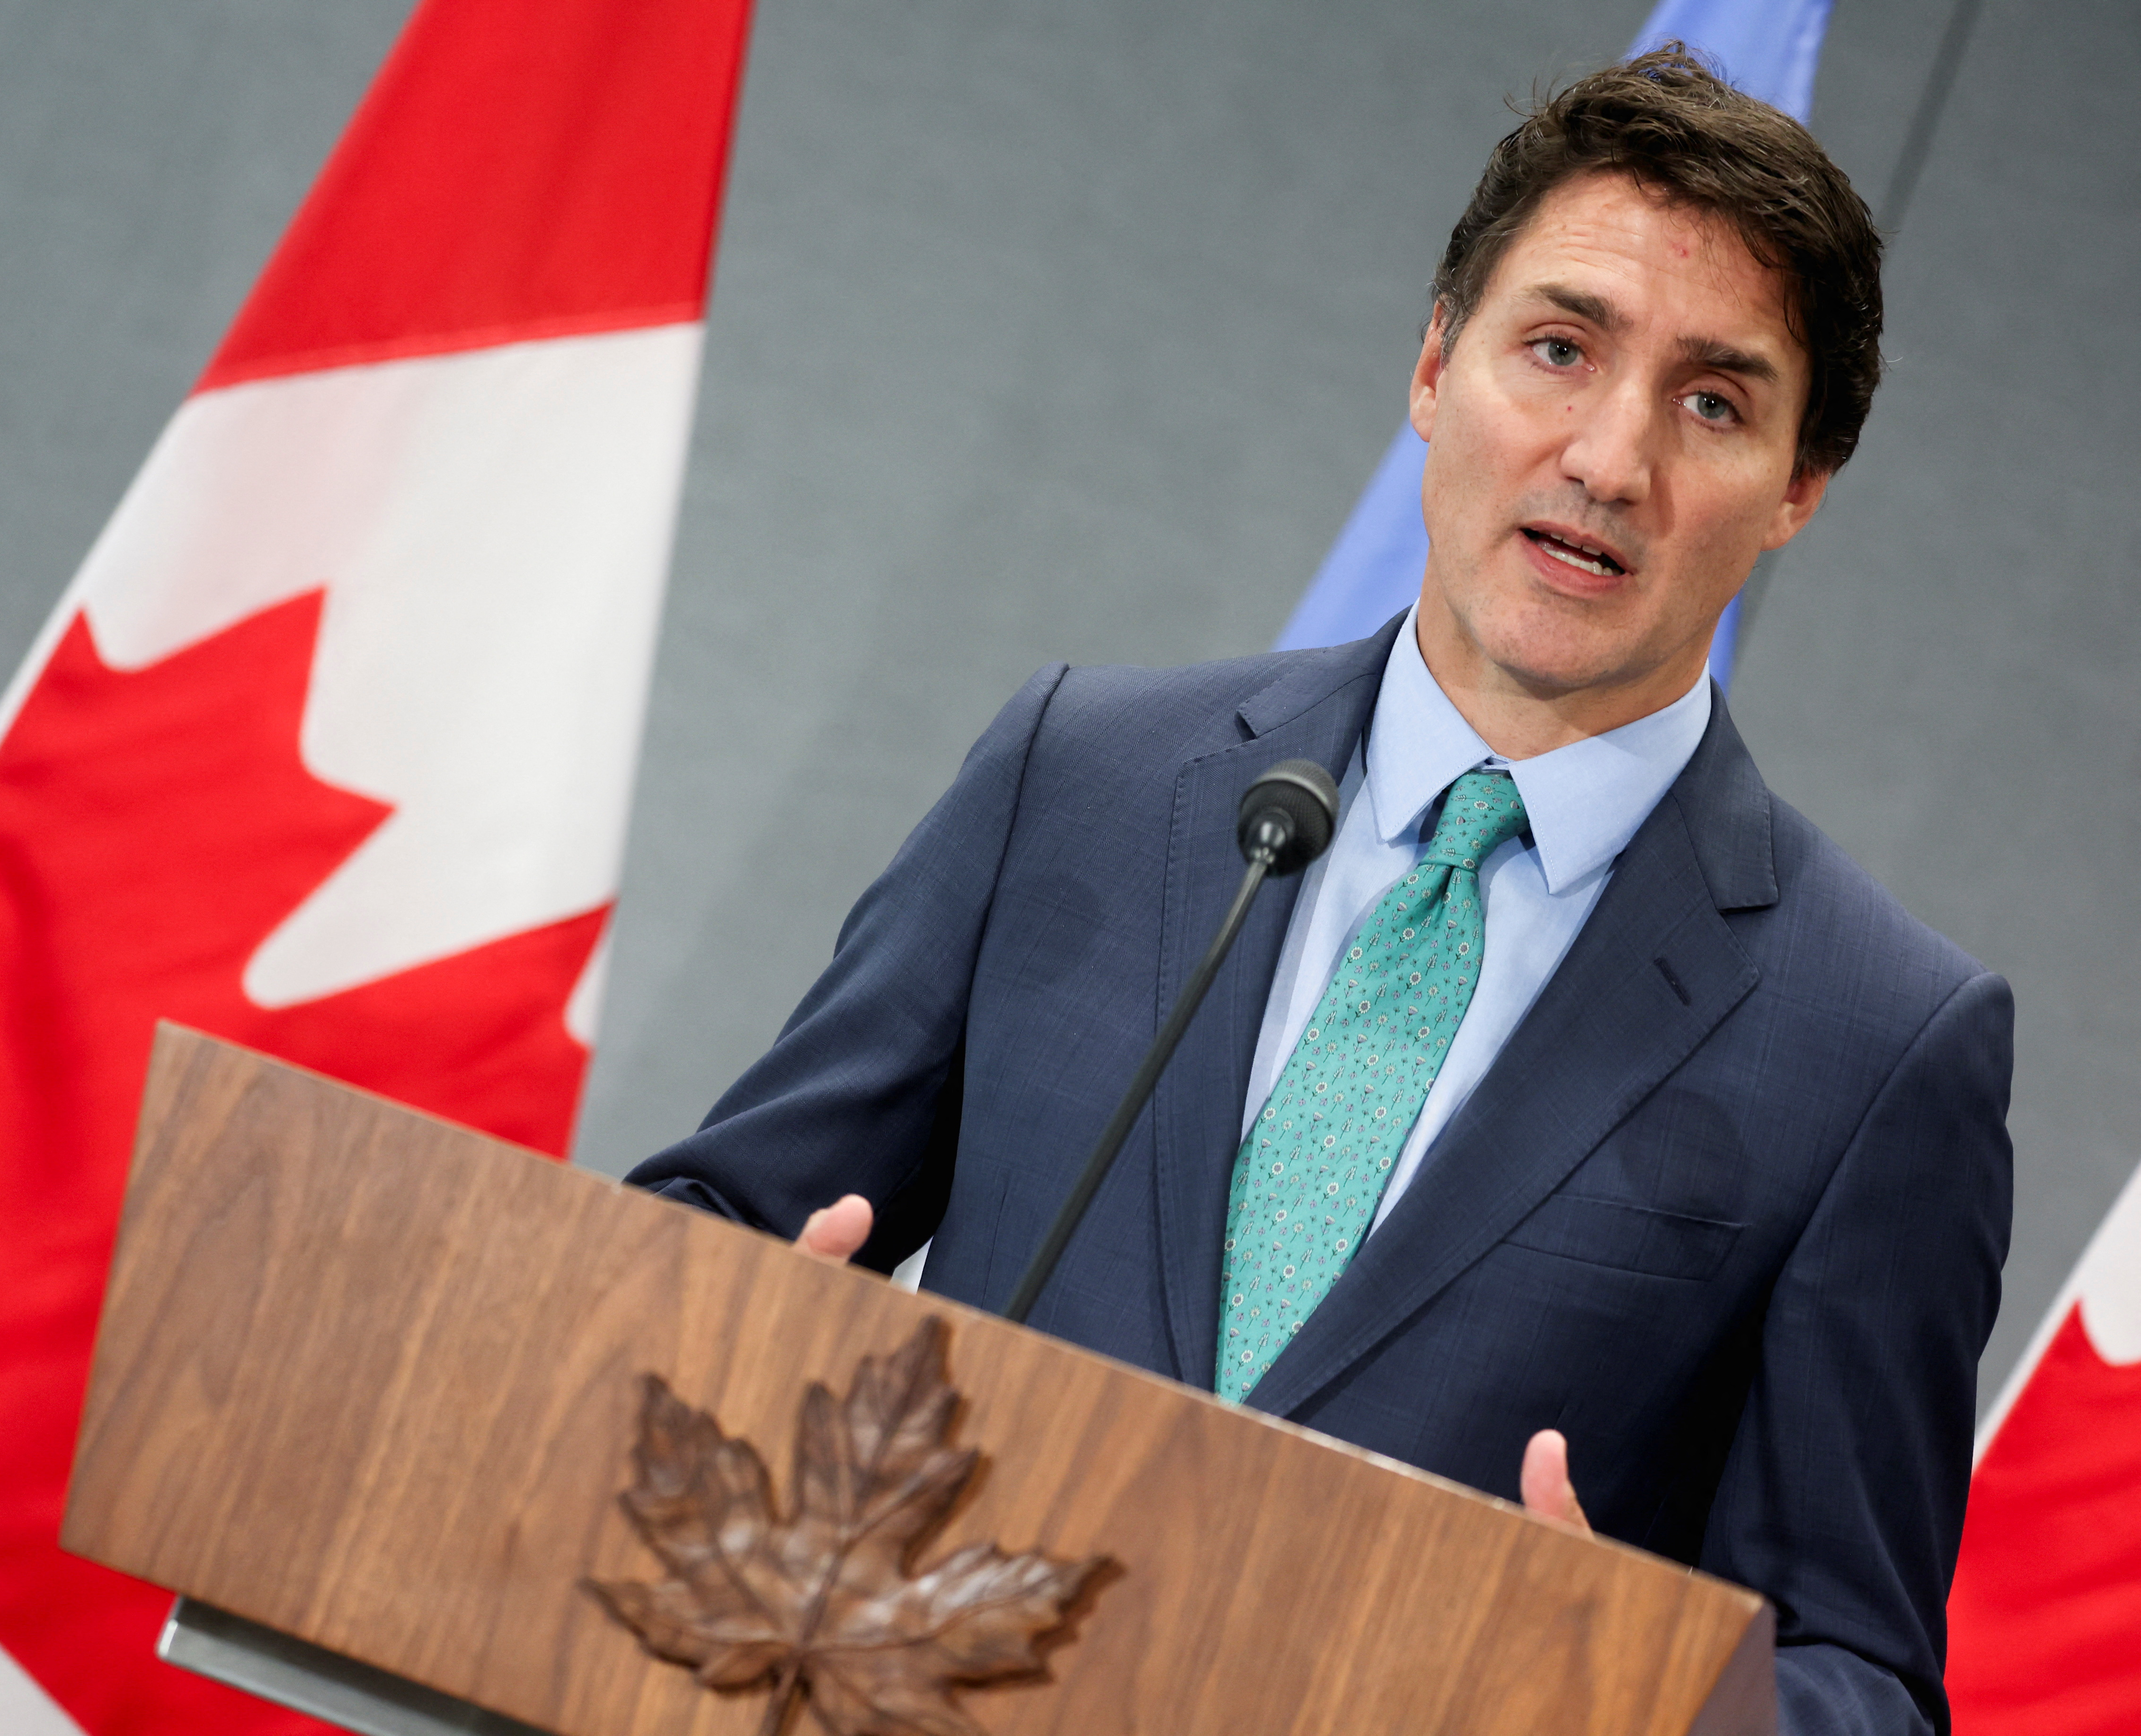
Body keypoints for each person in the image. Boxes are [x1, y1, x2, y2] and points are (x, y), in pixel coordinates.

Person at [628, 45, 2009, 1736]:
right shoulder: (1081, 775)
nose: (1605, 456)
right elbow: (717, 1232)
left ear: (1796, 490)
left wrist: (1644, 1709)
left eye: (1712, 403)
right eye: (1557, 349)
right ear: (1435, 366)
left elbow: (1858, 1673)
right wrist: (735, 1331)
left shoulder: (1877, 1042)